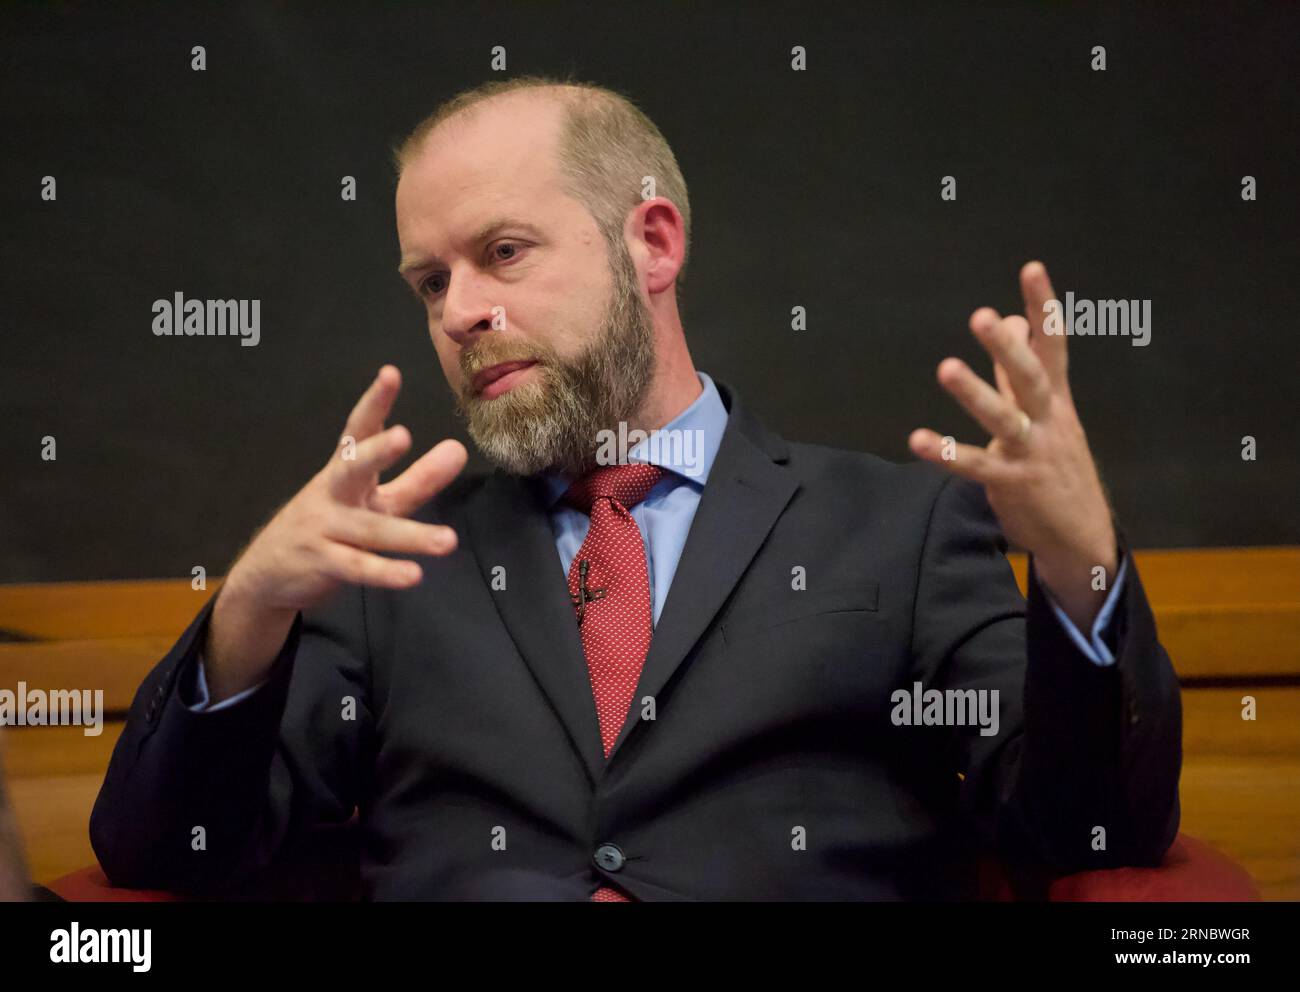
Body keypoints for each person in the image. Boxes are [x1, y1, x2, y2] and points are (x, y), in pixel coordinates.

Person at [91, 75, 1181, 901]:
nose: (460, 311)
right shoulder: (389, 558)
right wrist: (247, 615)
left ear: (651, 242)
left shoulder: (897, 528)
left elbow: (1087, 833)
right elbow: (165, 856)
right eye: (431, 282)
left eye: (502, 252)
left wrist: (1082, 571)